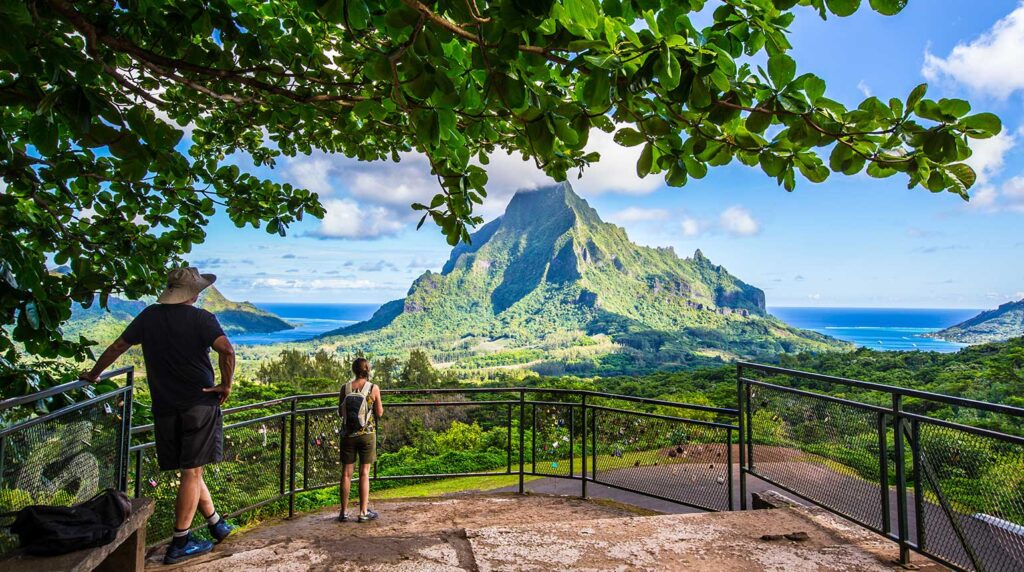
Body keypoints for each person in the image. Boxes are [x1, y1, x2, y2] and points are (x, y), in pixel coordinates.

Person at [80, 267, 235, 564]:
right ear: (194, 293)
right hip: (199, 404)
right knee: (192, 471)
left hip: (164, 407)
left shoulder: (149, 316)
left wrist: (94, 374)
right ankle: (181, 542)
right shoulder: (202, 319)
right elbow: (226, 350)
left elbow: (118, 346)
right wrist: (225, 385)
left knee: (191, 468)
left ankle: (216, 523)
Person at [338, 357, 384, 523]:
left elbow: (340, 412)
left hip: (347, 435)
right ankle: (363, 512)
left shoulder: (345, 388)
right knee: (364, 473)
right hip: (367, 435)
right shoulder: (373, 388)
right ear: (367, 369)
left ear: (354, 370)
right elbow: (379, 413)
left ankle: (343, 512)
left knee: (346, 474)